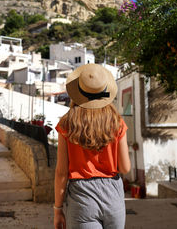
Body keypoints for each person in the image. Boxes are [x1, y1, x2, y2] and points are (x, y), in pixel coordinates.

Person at [54, 63, 131, 229]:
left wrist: (58, 209)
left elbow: (61, 172)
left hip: (82, 198)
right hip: (113, 196)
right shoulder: (116, 122)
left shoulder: (67, 124)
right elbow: (125, 168)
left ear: (78, 92)